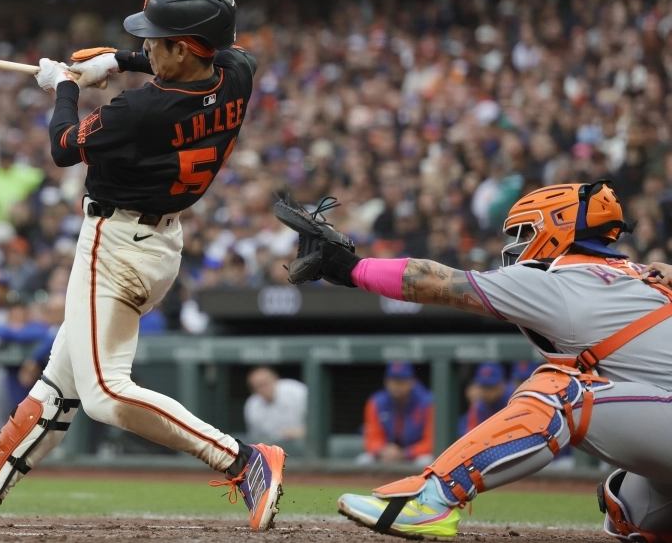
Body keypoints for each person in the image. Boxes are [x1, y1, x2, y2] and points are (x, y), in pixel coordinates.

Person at [0, 0, 284, 530]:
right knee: (62, 381)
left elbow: (63, 146)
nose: (146, 46)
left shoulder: (142, 110)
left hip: (116, 246)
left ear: (185, 48)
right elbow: (217, 59)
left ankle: (242, 460)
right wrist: (120, 61)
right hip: (159, 245)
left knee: (103, 395)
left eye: (156, 41)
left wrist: (64, 87)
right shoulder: (236, 74)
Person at [279, 181, 672, 540]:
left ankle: (431, 500)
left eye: (526, 232)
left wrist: (350, 267)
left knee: (560, 391)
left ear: (559, 227)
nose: (519, 244)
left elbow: (432, 280)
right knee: (628, 509)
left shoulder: (561, 279)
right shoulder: (643, 276)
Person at [357, 362, 434, 465]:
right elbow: (372, 437)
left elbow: (431, 442)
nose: (396, 386)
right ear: (386, 382)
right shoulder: (376, 402)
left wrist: (405, 453)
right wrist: (382, 450)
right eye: (392, 381)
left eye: (401, 381)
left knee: (425, 461)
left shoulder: (428, 402)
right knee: (363, 461)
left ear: (412, 382)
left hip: (415, 454)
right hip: (386, 453)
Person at [243, 367, 307, 455]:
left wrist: (304, 431)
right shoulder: (252, 405)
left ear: (276, 379)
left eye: (263, 384)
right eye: (256, 387)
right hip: (274, 451)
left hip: (305, 443)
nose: (261, 389)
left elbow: (320, 421)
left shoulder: (296, 391)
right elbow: (256, 439)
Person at [457, 363, 507, 436]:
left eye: (490, 387)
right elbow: (466, 434)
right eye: (483, 387)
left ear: (501, 385)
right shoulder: (480, 405)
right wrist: (473, 410)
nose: (486, 392)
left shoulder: (511, 401)